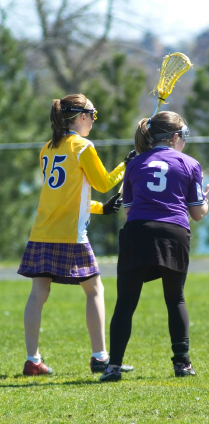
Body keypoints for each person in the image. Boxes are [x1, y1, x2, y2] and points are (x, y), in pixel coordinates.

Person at [99, 111, 209, 382]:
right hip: (173, 233)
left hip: (138, 232)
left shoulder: (135, 163)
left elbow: (128, 212)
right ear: (175, 137)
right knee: (175, 298)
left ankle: (113, 367)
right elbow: (198, 213)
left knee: (126, 303)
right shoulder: (190, 163)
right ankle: (182, 364)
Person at [17, 93, 135, 376]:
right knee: (95, 290)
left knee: (38, 293)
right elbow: (104, 182)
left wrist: (100, 209)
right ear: (81, 117)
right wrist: (126, 166)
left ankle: (32, 360)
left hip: (42, 230)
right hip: (70, 234)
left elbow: (67, 196)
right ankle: (100, 358)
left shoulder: (48, 147)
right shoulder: (82, 146)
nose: (94, 121)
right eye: (93, 115)